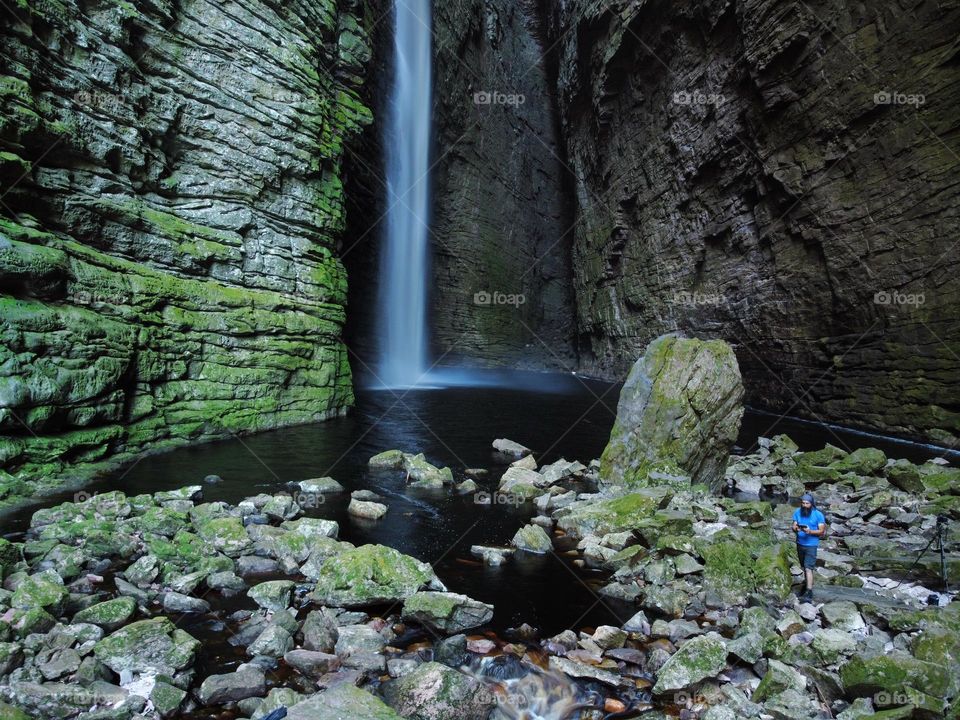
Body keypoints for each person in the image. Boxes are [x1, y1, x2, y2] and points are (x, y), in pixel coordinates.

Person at [792, 492, 826, 602]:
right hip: (800, 543)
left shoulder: (818, 515)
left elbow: (821, 531)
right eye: (803, 503)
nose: (804, 505)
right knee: (803, 566)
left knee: (808, 567)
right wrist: (796, 528)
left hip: (811, 545)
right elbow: (794, 525)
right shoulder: (797, 512)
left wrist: (810, 531)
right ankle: (807, 583)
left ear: (811, 504)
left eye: (807, 503)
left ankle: (809, 591)